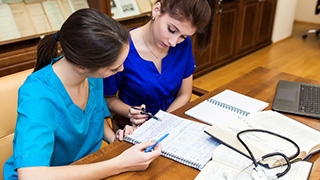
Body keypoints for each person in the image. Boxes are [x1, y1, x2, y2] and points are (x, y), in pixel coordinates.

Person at [3, 8, 161, 180]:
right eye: (114, 68)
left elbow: (96, 120)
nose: (121, 70)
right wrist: (120, 163)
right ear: (82, 66)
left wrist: (116, 137)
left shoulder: (91, 75)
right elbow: (31, 175)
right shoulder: (37, 94)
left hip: (87, 167)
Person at [103, 0, 214, 128]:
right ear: (157, 10)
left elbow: (184, 94)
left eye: (183, 36)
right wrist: (130, 112)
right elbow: (107, 99)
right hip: (132, 127)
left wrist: (164, 122)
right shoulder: (122, 49)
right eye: (171, 30)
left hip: (171, 122)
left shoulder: (184, 44)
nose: (173, 42)